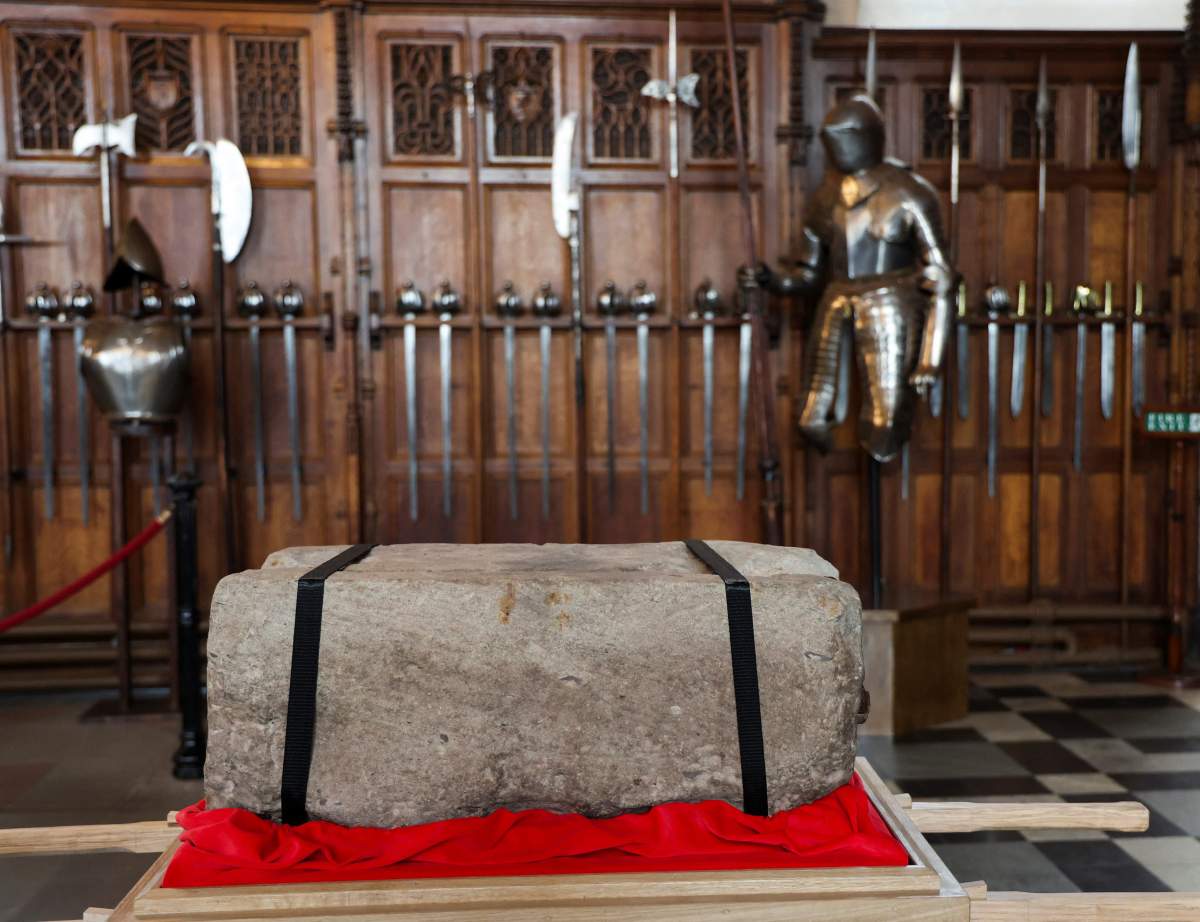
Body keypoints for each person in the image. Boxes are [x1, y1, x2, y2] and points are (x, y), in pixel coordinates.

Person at [759, 93, 955, 462]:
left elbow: (941, 278)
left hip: (890, 301)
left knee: (886, 421)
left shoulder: (909, 192)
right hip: (835, 299)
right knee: (811, 417)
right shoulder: (827, 197)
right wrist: (771, 280)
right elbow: (807, 272)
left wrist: (930, 359)